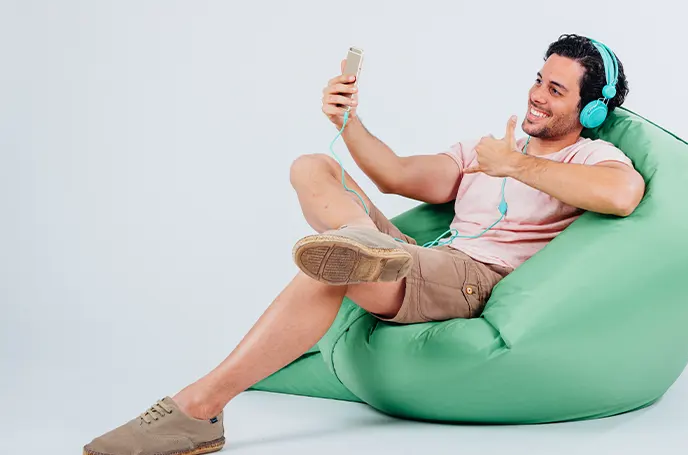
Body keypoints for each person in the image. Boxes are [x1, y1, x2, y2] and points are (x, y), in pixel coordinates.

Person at [82, 34, 645, 455]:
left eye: (555, 89)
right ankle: (359, 242)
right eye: (537, 79)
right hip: (420, 256)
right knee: (313, 165)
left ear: (590, 109)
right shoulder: (486, 147)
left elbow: (622, 196)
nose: (536, 95)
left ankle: (198, 409)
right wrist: (349, 120)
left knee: (329, 269)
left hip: (474, 278)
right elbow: (397, 174)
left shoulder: (588, 156)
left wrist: (516, 165)